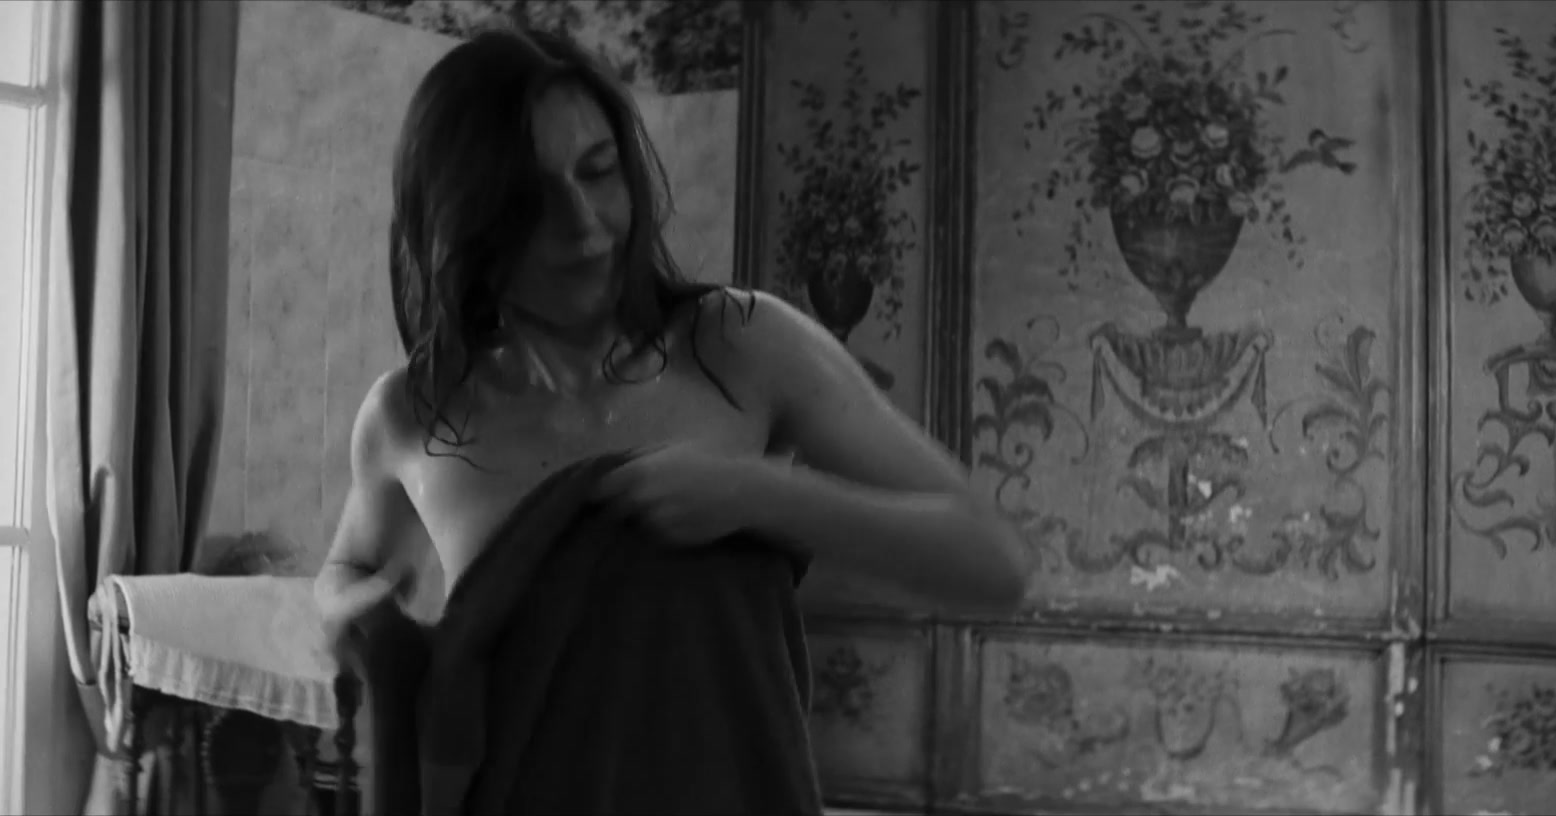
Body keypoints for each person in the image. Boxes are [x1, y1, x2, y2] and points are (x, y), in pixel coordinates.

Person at [310, 22, 1033, 808]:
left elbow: (992, 562)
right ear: (464, 222)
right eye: (532, 201)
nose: (586, 225)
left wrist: (761, 495)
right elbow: (346, 572)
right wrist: (358, 621)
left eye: (600, 172)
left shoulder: (743, 343)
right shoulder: (413, 412)